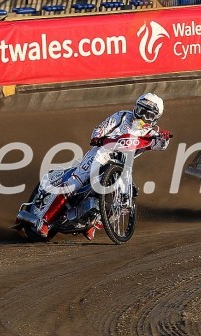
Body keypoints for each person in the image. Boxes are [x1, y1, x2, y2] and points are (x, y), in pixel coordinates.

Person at [36, 93, 172, 240]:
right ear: (135, 107)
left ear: (156, 118)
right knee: (74, 183)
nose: (142, 116)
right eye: (141, 110)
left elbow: (161, 145)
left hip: (124, 164)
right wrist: (99, 137)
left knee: (126, 200)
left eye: (148, 115)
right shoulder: (122, 116)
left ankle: (95, 224)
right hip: (101, 153)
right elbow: (100, 129)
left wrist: (163, 138)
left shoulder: (152, 133)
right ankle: (45, 221)